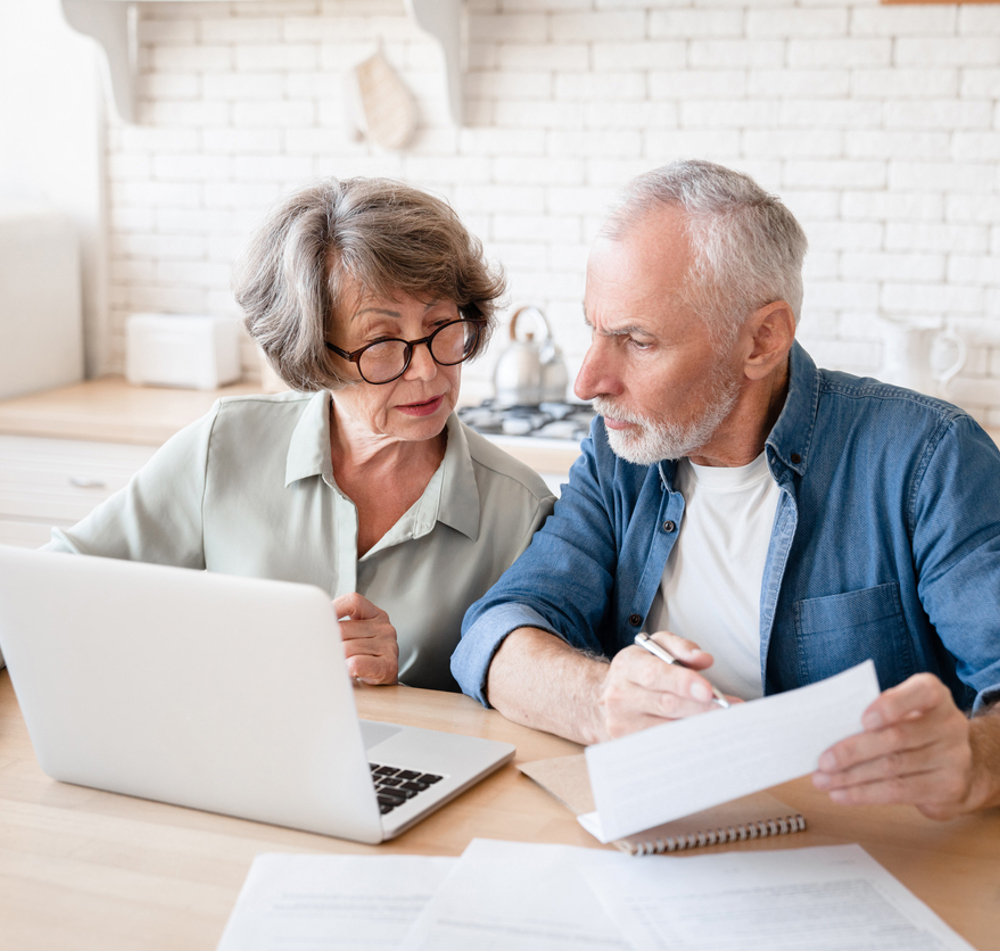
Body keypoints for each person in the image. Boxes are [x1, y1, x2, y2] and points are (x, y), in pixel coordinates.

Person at [453, 159, 1000, 820]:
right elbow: (497, 634)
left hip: (875, 858)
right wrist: (601, 700)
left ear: (763, 339)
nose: (589, 380)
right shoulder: (620, 452)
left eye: (637, 340)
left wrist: (975, 760)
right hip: (667, 849)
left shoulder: (927, 457)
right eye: (595, 329)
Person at [46, 177, 555, 692]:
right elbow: (53, 587)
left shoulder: (519, 511)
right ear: (313, 353)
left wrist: (399, 687)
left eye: (442, 324)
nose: (426, 370)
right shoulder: (227, 445)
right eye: (381, 341)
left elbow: (523, 709)